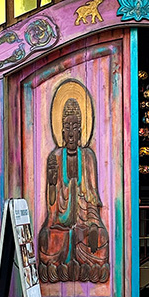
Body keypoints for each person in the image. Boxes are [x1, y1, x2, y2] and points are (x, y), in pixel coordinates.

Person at [38, 97, 109, 284]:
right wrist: (52, 183)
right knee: (46, 238)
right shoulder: (55, 156)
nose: (71, 133)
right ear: (61, 131)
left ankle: (77, 267)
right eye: (67, 127)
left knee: (101, 237)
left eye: (75, 127)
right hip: (60, 223)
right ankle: (78, 268)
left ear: (81, 131)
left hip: (84, 220)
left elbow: (92, 197)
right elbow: (52, 206)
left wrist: (93, 223)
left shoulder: (88, 156)